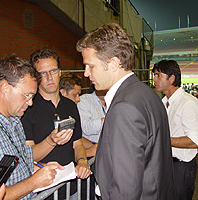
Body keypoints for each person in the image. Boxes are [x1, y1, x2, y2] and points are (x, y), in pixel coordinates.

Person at [76, 23, 175, 200]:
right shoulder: (146, 94)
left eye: (91, 66)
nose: (85, 73)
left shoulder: (124, 107)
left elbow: (126, 188)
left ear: (113, 63)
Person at [21, 48, 91, 200]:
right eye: (43, 73)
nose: (49, 77)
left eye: (52, 71)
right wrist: (51, 141)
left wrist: (82, 162)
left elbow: (77, 143)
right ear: (36, 77)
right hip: (45, 191)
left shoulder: (70, 105)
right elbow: (29, 155)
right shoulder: (27, 108)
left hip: (72, 187)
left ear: (60, 72)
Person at [0, 54, 66, 200]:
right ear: (5, 88)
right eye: (27, 95)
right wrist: (34, 182)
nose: (30, 103)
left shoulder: (15, 121)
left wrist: (41, 168)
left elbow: (21, 161)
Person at [152, 59, 198, 200]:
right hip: (165, 164)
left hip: (181, 168)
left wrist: (164, 140)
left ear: (171, 78)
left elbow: (194, 141)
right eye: (154, 75)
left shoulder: (188, 103)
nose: (154, 79)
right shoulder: (164, 102)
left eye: (158, 75)